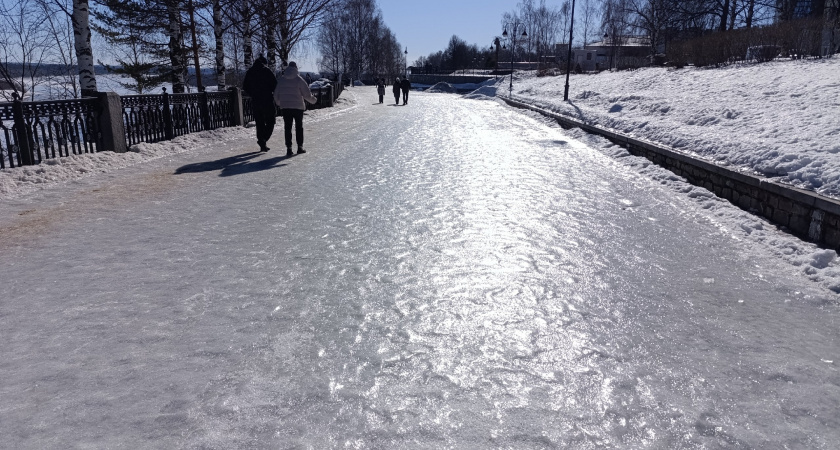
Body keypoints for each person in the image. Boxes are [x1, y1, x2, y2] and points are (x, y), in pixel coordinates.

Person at [273, 61, 317, 156]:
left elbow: (276, 94)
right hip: (298, 107)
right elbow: (306, 94)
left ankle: (289, 148)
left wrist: (280, 103)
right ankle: (299, 147)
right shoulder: (299, 80)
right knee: (299, 127)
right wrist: (313, 100)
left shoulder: (282, 80)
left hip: (286, 108)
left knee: (287, 127)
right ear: (296, 68)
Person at [242, 55, 277, 152]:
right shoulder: (267, 71)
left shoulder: (250, 72)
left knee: (259, 122)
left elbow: (245, 87)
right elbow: (275, 85)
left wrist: (253, 94)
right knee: (271, 121)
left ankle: (262, 143)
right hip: (267, 100)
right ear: (264, 63)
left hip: (256, 101)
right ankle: (263, 139)